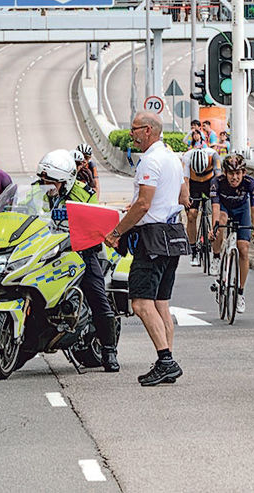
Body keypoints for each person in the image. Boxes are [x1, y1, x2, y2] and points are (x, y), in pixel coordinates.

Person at [104, 112, 189, 386]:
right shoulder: (171, 157)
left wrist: (117, 231)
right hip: (173, 235)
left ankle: (165, 360)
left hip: (151, 238)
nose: (132, 135)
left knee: (141, 303)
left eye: (135, 129)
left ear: (149, 130)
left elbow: (143, 205)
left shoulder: (150, 160)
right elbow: (183, 196)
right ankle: (167, 361)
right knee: (161, 303)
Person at [37, 149, 120, 371]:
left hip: (81, 251)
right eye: (44, 179)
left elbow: (95, 222)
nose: (47, 183)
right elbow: (23, 211)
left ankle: (109, 350)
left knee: (97, 296)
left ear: (66, 179)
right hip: (47, 250)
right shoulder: (38, 191)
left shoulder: (84, 194)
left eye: (52, 180)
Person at [209, 154, 254, 313]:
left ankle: (240, 293)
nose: (235, 177)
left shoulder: (251, 184)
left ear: (244, 172)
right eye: (231, 173)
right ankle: (217, 257)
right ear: (225, 173)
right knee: (221, 222)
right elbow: (215, 209)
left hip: (242, 210)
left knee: (244, 248)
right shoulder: (216, 183)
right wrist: (214, 229)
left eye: (238, 173)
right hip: (224, 208)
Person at [183, 147, 222, 266]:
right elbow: (185, 180)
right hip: (194, 184)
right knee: (191, 215)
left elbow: (219, 177)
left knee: (217, 211)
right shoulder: (187, 157)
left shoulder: (214, 156)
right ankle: (193, 250)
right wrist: (186, 197)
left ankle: (214, 248)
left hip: (210, 181)